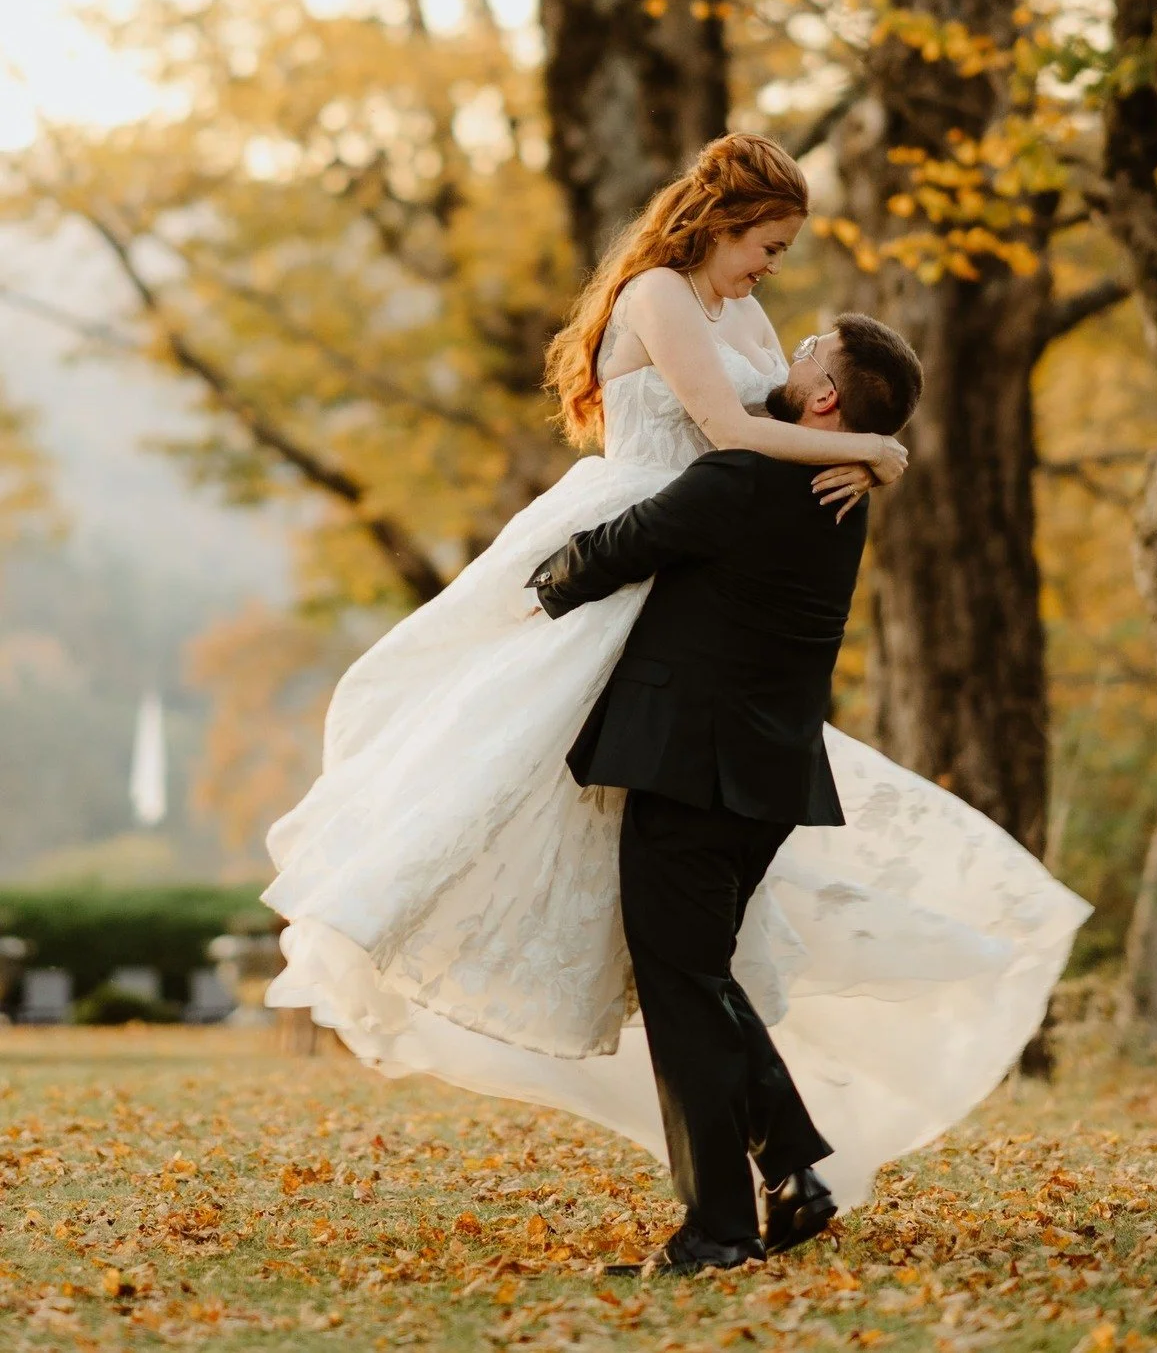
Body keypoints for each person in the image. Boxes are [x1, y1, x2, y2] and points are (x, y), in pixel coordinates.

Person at [263, 133, 1089, 1220]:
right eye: (766, 243)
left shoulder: (750, 330)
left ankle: (754, 1188)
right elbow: (730, 431)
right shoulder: (657, 290)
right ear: (720, 219)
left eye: (783, 251)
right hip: (643, 530)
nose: (771, 272)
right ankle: (772, 1162)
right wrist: (876, 452)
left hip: (699, 579)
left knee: (684, 948)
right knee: (514, 783)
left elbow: (779, 426)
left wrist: (863, 448)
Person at [527, 316, 921, 1273]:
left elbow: (617, 548)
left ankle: (718, 1231)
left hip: (691, 767)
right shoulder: (839, 492)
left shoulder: (744, 477)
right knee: (699, 975)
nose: (790, 357)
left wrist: (532, 582)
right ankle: (792, 1170)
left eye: (806, 358)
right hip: (767, 775)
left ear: (823, 397)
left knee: (682, 988)